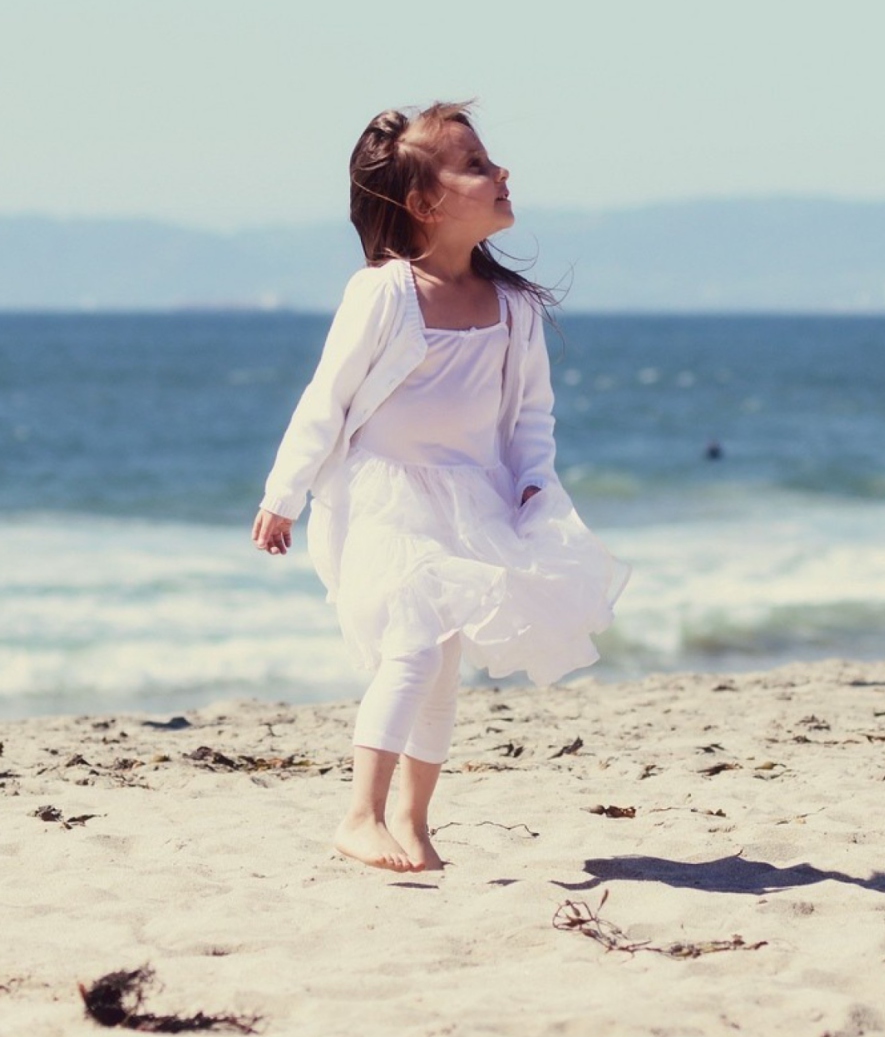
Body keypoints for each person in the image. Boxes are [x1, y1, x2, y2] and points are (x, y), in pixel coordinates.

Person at [252, 102, 628, 872]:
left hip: (474, 500)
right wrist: (282, 494)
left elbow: (530, 414)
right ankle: (359, 815)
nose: (501, 173)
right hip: (387, 498)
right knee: (413, 646)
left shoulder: (514, 308)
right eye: (477, 165)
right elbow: (326, 398)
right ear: (424, 205)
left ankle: (414, 821)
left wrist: (532, 486)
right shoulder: (385, 294)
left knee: (445, 667)